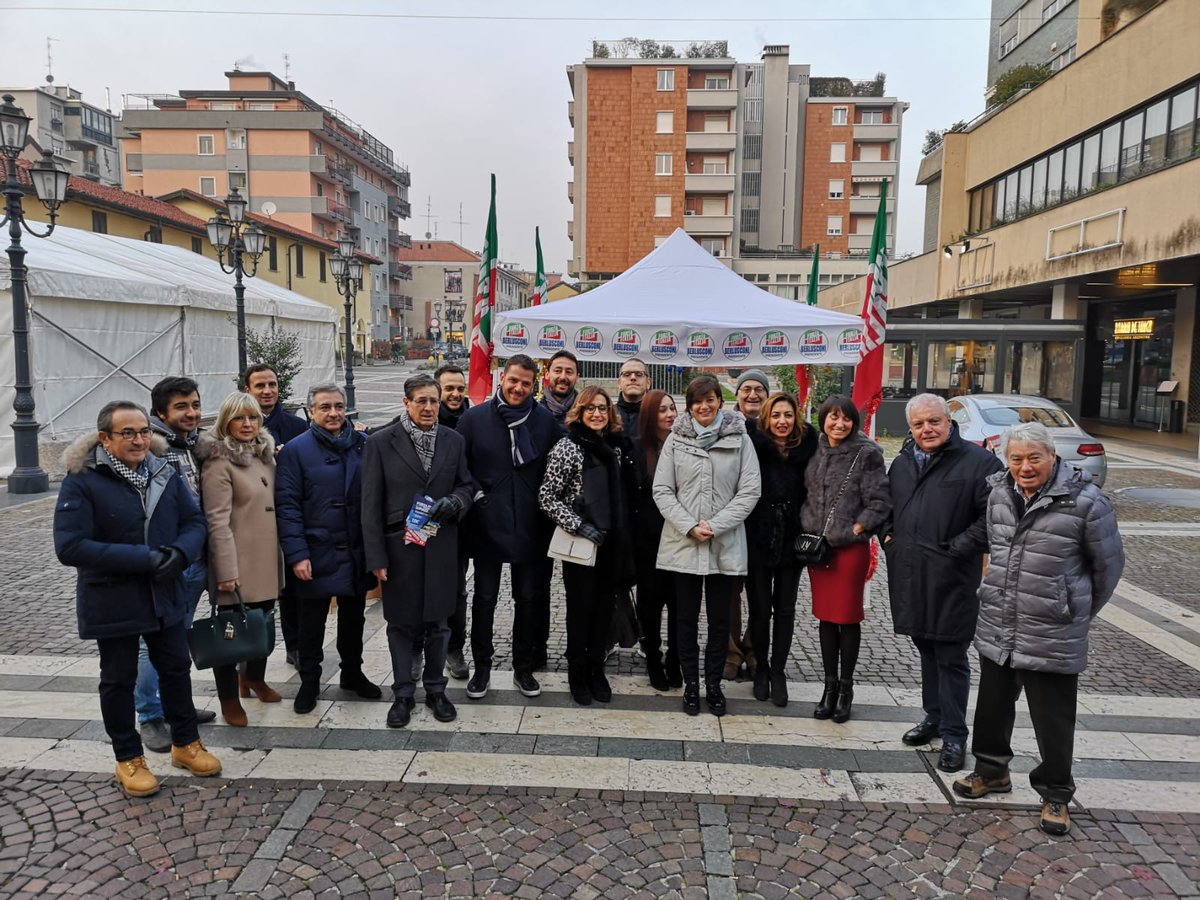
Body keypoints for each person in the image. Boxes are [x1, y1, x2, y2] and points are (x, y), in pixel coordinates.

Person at [954, 421, 1124, 836]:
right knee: (992, 707)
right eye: (1016, 458)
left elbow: (1108, 568)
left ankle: (1056, 793)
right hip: (999, 622)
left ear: (1052, 457)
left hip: (1052, 628)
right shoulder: (999, 493)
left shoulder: (1086, 501)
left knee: (1053, 717)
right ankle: (992, 771)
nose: (1025, 467)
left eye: (1034, 458)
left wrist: (1072, 609)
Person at [54, 401, 221, 797]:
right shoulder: (82, 479)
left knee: (177, 668)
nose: (139, 439)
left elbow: (195, 520)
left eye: (144, 431)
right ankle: (128, 758)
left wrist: (179, 554)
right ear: (105, 439)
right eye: (127, 433)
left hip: (164, 592)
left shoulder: (163, 469)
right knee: (118, 679)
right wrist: (144, 560)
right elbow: (70, 546)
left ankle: (185, 743)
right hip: (113, 596)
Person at [883, 393, 1003, 773]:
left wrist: (957, 548)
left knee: (951, 656)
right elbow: (887, 507)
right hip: (911, 574)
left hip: (953, 576)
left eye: (933, 421)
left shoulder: (979, 462)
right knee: (926, 648)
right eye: (918, 424)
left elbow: (993, 518)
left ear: (949, 422)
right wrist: (890, 539)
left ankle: (955, 735)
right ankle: (934, 717)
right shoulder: (902, 463)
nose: (927, 429)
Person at [362, 374, 475, 728]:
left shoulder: (453, 441)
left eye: (434, 402)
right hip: (400, 549)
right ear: (406, 403)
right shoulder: (380, 443)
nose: (428, 408)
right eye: (421, 401)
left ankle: (436, 690)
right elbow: (370, 504)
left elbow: (467, 484)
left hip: (441, 546)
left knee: (439, 624)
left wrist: (456, 500)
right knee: (400, 625)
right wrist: (376, 558)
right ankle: (403, 694)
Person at [653, 375, 761, 717]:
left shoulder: (740, 439)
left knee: (719, 622)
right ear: (690, 405)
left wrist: (715, 525)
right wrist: (688, 526)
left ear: (720, 401)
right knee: (684, 620)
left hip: (723, 542)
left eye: (710, 399)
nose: (704, 406)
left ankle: (713, 685)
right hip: (683, 543)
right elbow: (662, 490)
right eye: (697, 401)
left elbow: (749, 491)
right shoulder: (675, 439)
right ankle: (691, 684)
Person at [458, 354, 561, 699]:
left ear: (535, 386)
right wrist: (479, 497)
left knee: (528, 599)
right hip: (487, 523)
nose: (518, 388)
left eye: (526, 384)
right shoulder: (473, 419)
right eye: (513, 380)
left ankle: (523, 668)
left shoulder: (545, 422)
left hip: (531, 525)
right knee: (484, 598)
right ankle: (482, 669)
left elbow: (558, 467)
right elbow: (461, 468)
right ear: (503, 378)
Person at [275, 382, 382, 714]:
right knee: (311, 623)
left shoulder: (364, 445)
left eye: (338, 406)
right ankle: (309, 681)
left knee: (354, 618)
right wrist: (297, 554)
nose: (334, 413)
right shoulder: (295, 450)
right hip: (315, 551)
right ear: (310, 411)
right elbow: (287, 505)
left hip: (355, 549)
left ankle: (352, 672)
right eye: (325, 407)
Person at [539, 386, 638, 705]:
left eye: (603, 408)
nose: (597, 414)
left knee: (603, 611)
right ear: (579, 413)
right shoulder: (568, 447)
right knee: (580, 611)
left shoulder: (616, 447)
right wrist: (578, 525)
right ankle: (577, 672)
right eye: (590, 409)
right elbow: (546, 497)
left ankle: (596, 669)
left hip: (612, 541)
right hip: (582, 544)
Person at [136, 377, 216, 753]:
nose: (192, 412)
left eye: (195, 405)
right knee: (149, 642)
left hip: (195, 558)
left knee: (176, 639)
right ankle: (150, 716)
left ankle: (174, 706)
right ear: (160, 413)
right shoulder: (149, 449)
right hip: (169, 562)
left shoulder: (192, 443)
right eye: (182, 407)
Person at [800, 395, 890, 724]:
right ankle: (828, 686)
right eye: (833, 418)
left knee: (847, 618)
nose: (840, 424)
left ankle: (846, 688)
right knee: (825, 617)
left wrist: (859, 526)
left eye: (846, 418)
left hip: (850, 549)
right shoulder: (815, 448)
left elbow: (880, 499)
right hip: (819, 549)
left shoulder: (867, 453)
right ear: (823, 419)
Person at [195, 393, 283, 726]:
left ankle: (254, 679)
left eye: (253, 418)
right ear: (226, 422)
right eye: (239, 418)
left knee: (262, 625)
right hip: (238, 564)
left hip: (267, 559)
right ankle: (230, 699)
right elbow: (216, 520)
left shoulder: (265, 455)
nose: (247, 424)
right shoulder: (219, 462)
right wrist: (226, 571)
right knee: (230, 634)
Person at [745, 392, 818, 707]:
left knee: (785, 610)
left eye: (788, 415)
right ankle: (760, 667)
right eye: (776, 415)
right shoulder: (753, 446)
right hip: (757, 537)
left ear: (796, 418)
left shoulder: (808, 447)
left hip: (791, 538)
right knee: (760, 609)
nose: (782, 421)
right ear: (766, 418)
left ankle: (777, 671)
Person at [244, 363, 306, 668]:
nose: (267, 391)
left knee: (293, 588)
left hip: (290, 515)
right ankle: (254, 657)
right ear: (248, 390)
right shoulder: (241, 427)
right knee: (259, 591)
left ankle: (295, 645)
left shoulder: (296, 425)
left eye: (272, 384)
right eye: (260, 386)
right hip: (254, 522)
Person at [724, 368, 771, 681]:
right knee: (728, 593)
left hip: (765, 527)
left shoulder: (778, 426)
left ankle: (754, 650)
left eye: (759, 390)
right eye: (747, 389)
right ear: (737, 394)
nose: (752, 394)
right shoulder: (724, 427)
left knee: (760, 595)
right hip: (730, 522)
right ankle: (730, 652)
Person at [634, 389, 681, 691]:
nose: (669, 415)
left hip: (680, 540)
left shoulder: (686, 446)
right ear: (650, 416)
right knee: (650, 606)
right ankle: (653, 656)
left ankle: (675, 659)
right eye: (662, 410)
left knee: (680, 605)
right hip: (648, 543)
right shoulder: (636, 450)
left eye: (672, 409)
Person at [540, 349, 580, 425]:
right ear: (547, 374)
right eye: (558, 371)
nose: (563, 377)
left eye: (569, 372)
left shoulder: (586, 414)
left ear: (577, 377)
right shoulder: (533, 413)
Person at [615, 358, 651, 441]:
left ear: (648, 383)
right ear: (619, 383)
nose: (633, 378)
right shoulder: (607, 415)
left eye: (639, 374)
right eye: (627, 374)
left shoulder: (658, 416)